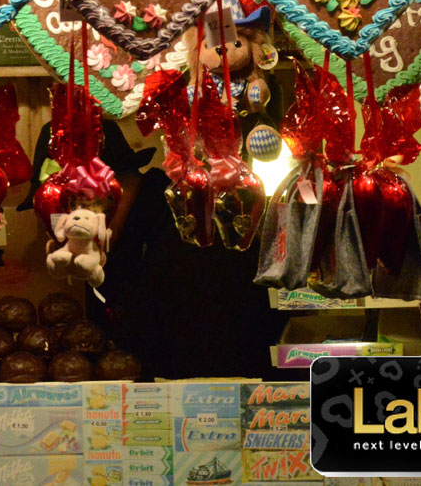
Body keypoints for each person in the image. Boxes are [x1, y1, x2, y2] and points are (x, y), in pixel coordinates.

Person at [22, 119, 291, 381]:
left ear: (116, 190)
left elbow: (210, 376)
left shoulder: (190, 240)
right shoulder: (122, 244)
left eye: (70, 207)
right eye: (52, 214)